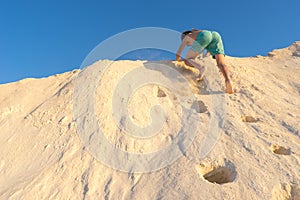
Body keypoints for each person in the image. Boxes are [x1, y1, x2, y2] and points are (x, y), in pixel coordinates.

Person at [176, 29, 234, 94]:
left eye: (188, 43)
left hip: (204, 36)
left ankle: (201, 67)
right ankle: (228, 80)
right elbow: (208, 50)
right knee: (221, 63)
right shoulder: (197, 33)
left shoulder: (187, 37)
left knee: (187, 59)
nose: (189, 45)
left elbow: (179, 52)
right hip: (216, 35)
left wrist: (178, 59)